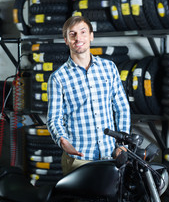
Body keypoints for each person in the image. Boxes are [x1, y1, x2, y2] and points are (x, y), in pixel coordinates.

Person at [46, 16, 131, 175]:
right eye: (72, 34)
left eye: (83, 32)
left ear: (91, 35)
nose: (78, 38)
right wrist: (63, 141)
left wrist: (122, 145)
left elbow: (122, 108)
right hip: (79, 158)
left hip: (110, 155)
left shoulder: (109, 68)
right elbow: (54, 118)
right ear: (66, 40)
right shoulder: (58, 78)